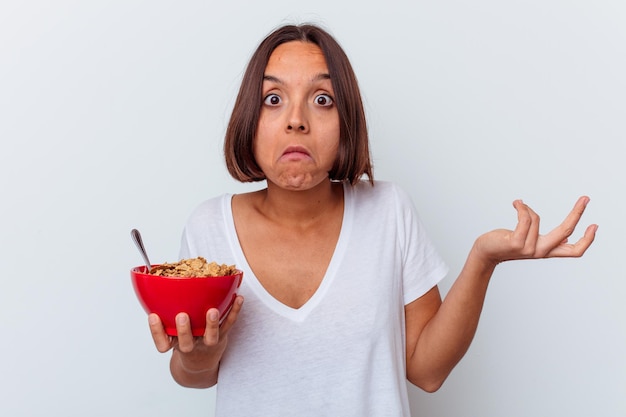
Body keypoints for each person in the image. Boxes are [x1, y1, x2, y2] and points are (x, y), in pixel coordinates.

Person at [147, 24, 597, 416]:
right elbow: (196, 376)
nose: (297, 121)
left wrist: (483, 261)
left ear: (347, 121)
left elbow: (427, 371)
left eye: (322, 99)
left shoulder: (389, 212)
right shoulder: (209, 225)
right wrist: (199, 355)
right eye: (273, 98)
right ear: (249, 117)